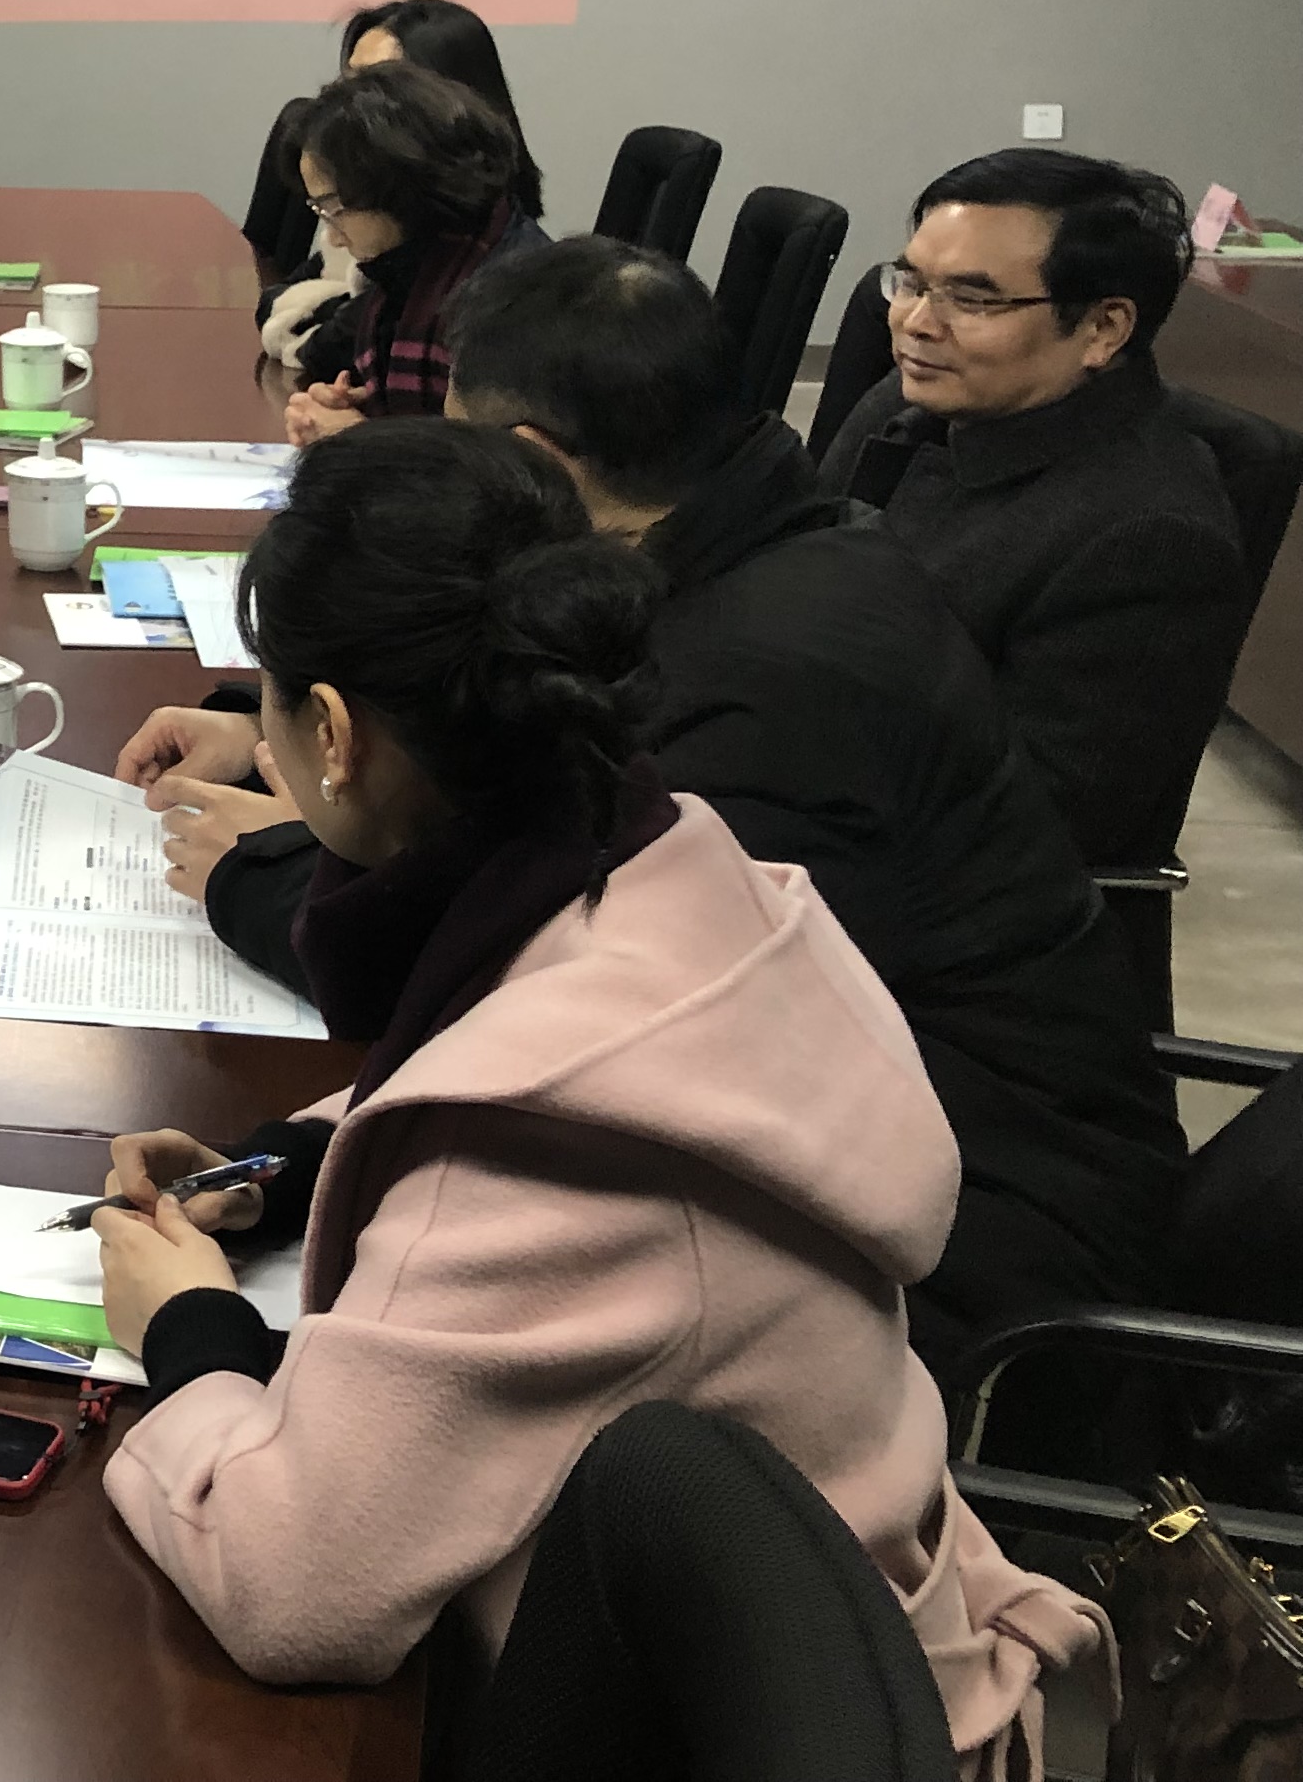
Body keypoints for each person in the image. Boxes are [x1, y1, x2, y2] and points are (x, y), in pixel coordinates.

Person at [86, 417, 1103, 1760]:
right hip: (865, 1634)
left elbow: (291, 1590)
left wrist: (190, 1334)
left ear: (329, 735)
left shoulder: (541, 1157)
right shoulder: (680, 864)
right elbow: (536, 1058)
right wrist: (291, 1165)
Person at [136, 238, 1183, 1372]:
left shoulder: (745, 689)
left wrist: (274, 867)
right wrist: (297, 1164)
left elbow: (542, 998)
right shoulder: (758, 549)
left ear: (531, 465)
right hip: (861, 1146)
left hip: (959, 1252)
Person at [818, 150, 1250, 872]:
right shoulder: (914, 402)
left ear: (1103, 329)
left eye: (972, 300)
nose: (916, 323)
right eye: (911, 283)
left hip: (929, 898)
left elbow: (1040, 826)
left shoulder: (1149, 540)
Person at [276, 63, 547, 442]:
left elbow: (503, 463)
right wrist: (369, 406)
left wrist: (361, 440)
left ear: (397, 189)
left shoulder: (513, 301)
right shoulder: (413, 267)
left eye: (333, 207)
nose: (332, 237)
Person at [255, 0, 544, 355]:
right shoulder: (364, 210)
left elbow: (330, 343)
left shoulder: (484, 262)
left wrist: (319, 315)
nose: (349, 105)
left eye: (377, 87)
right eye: (350, 81)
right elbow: (277, 303)